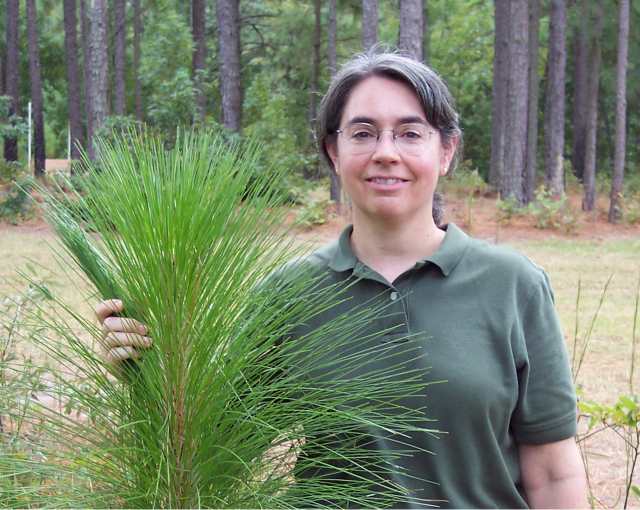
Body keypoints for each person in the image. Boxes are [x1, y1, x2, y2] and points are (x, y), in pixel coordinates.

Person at [96, 50, 588, 508]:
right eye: (363, 132)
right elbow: (208, 444)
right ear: (334, 152)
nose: (386, 152)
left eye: (410, 133)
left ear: (446, 151)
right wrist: (144, 374)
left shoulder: (512, 284)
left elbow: (552, 471)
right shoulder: (289, 294)